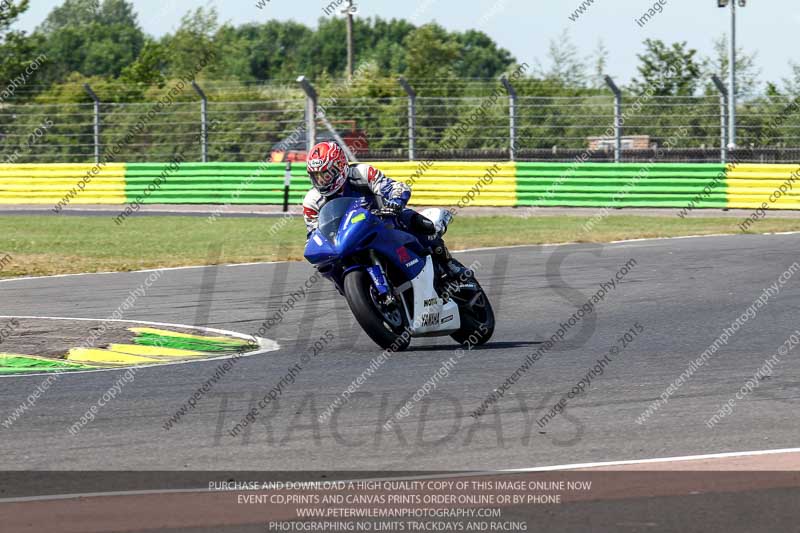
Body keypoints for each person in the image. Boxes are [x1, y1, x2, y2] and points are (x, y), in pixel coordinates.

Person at [302, 140, 464, 278]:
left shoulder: (362, 173)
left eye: (326, 175)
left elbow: (395, 187)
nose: (321, 181)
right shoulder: (312, 201)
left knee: (415, 222)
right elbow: (313, 234)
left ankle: (448, 263)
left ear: (340, 166)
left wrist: (395, 202)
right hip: (346, 239)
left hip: (382, 221)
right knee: (330, 268)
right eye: (316, 176)